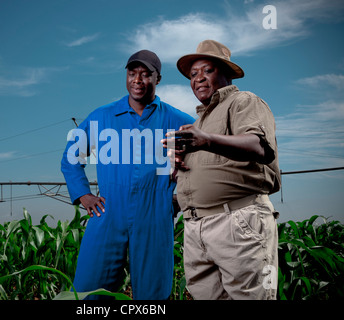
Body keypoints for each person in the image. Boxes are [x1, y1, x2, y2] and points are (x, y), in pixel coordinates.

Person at [61, 50, 195, 300]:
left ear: (158, 79)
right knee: (89, 291)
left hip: (155, 214)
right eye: (132, 73)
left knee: (153, 295)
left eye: (146, 74)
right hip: (108, 211)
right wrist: (83, 195)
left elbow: (207, 159)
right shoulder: (102, 117)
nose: (138, 80)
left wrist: (181, 196)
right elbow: (71, 158)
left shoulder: (178, 120)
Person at [162, 40, 281, 299]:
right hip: (195, 227)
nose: (199, 79)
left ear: (226, 72)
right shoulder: (199, 121)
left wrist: (206, 140)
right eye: (193, 75)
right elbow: (209, 168)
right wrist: (178, 169)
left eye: (207, 71)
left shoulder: (244, 101)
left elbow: (258, 146)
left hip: (236, 221)